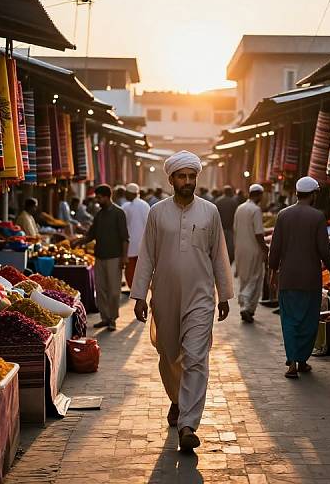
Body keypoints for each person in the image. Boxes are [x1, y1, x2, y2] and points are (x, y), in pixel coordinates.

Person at [131, 150, 233, 452]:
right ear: (171, 179)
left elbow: (219, 255)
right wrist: (139, 295)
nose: (188, 181)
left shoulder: (210, 212)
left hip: (201, 297)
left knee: (196, 358)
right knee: (169, 355)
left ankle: (188, 423)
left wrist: (224, 293)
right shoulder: (157, 213)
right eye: (182, 176)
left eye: (192, 176)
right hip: (163, 296)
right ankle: (177, 399)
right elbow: (147, 254)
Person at [268, 176, 330, 379]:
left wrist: (273, 272)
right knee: (308, 320)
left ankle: (292, 363)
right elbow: (324, 250)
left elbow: (275, 248)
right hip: (310, 279)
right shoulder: (317, 217)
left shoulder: (283, 215)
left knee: (289, 320)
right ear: (313, 194)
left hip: (287, 278)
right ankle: (302, 360)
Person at [72, 184, 129, 332]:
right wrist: (79, 241)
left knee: (114, 291)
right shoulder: (99, 214)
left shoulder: (118, 213)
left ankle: (112, 319)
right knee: (101, 290)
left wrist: (124, 257)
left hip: (114, 257)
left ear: (106, 196)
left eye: (99, 197)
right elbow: (91, 235)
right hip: (99, 257)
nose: (97, 200)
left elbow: (125, 238)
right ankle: (104, 318)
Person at [234, 184, 268, 323]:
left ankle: (245, 306)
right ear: (259, 195)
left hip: (240, 249)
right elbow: (259, 233)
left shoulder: (240, 208)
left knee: (244, 278)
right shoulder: (256, 210)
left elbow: (235, 229)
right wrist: (265, 249)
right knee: (254, 278)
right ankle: (246, 307)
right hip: (253, 250)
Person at [122, 183, 150, 289]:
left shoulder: (126, 206)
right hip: (143, 242)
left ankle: (133, 288)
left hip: (130, 243)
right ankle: (141, 288)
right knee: (142, 269)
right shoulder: (145, 205)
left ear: (130, 193)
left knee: (130, 269)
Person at [215, 185, 238, 263]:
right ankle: (228, 263)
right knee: (230, 249)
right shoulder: (233, 202)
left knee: (220, 248)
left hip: (220, 228)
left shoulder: (218, 201)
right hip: (230, 228)